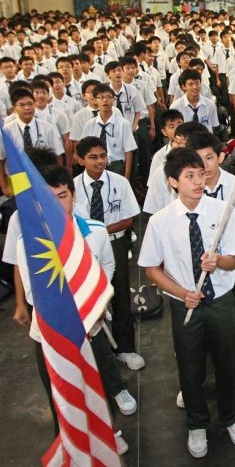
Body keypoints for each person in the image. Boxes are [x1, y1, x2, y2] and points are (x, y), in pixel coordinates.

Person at [8, 163, 132, 454]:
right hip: (51, 335)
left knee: (97, 383)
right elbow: (33, 293)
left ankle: (109, 432)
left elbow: (107, 270)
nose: (57, 204)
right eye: (48, 198)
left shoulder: (96, 232)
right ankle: (69, 441)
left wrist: (98, 304)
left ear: (73, 195)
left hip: (92, 326)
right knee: (61, 393)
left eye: (62, 195)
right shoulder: (29, 243)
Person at [138, 148, 235, 458]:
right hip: (184, 303)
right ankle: (197, 424)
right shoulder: (161, 222)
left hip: (221, 301)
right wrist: (180, 292)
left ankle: (231, 416)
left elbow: (234, 262)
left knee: (227, 360)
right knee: (189, 364)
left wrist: (218, 262)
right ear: (173, 182)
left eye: (201, 174)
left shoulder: (223, 211)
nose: (199, 181)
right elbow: (151, 268)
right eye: (190, 176)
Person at [73, 136, 144, 370]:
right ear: (80, 159)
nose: (100, 161)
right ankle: (98, 350)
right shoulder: (72, 188)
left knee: (120, 294)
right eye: (93, 157)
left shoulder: (120, 182)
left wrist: (100, 230)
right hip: (83, 247)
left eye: (103, 156)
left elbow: (128, 219)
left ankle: (125, 348)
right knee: (90, 296)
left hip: (115, 244)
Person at [185, 131, 235, 319]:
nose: (204, 165)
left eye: (209, 158)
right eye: (198, 159)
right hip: (196, 257)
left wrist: (230, 251)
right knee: (197, 308)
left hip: (230, 259)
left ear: (221, 157)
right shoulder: (186, 190)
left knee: (232, 307)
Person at [72, 83, 136, 178]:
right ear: (95, 101)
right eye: (101, 97)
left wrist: (126, 176)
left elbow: (128, 151)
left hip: (116, 165)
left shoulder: (123, 124)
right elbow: (83, 148)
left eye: (109, 97)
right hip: (95, 166)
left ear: (113, 100)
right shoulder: (90, 124)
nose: (105, 100)